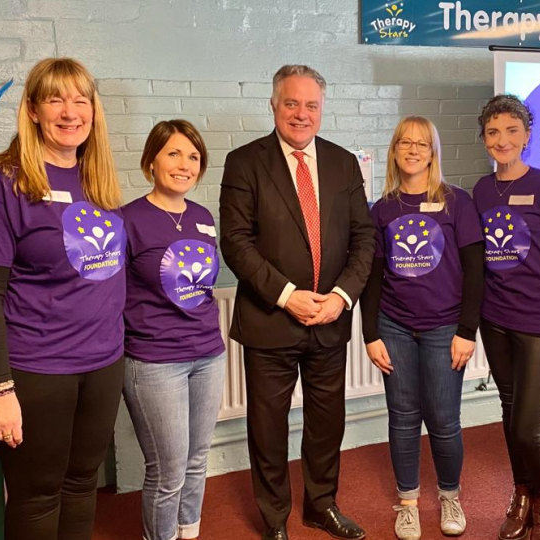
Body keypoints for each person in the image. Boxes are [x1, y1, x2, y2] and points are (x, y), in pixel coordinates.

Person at [0, 57, 124, 540]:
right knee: (36, 497)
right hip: (37, 369)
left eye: (80, 99)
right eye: (55, 98)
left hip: (103, 364)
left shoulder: (98, 181)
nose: (70, 111)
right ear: (32, 110)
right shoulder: (4, 183)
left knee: (81, 486)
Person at [219, 64, 375, 540]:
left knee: (327, 422)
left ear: (322, 110)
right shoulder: (244, 162)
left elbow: (363, 237)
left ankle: (320, 505)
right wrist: (287, 296)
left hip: (329, 320)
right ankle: (273, 519)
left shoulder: (344, 162)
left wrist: (343, 296)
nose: (301, 114)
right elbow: (235, 241)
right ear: (273, 104)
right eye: (291, 103)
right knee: (267, 429)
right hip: (271, 320)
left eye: (311, 105)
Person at [360, 116, 484, 540]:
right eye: (405, 143)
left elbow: (474, 272)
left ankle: (449, 495)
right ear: (395, 150)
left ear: (433, 152)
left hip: (444, 328)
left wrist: (468, 331)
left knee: (445, 419)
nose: (413, 150)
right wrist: (370, 334)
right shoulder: (383, 210)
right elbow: (372, 276)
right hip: (393, 327)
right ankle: (408, 502)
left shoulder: (457, 202)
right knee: (403, 417)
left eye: (422, 144)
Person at [473, 94, 540, 540]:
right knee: (508, 411)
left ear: (527, 136)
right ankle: (522, 494)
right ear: (484, 139)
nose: (503, 140)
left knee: (527, 427)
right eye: (494, 132)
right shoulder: (481, 190)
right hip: (495, 319)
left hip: (539, 324)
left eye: (512, 131)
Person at [121, 120, 226, 540]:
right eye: (174, 153)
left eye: (194, 157)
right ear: (151, 161)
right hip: (153, 361)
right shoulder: (127, 219)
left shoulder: (202, 217)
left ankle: (189, 533)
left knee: (198, 458)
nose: (184, 164)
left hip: (208, 353)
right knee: (167, 469)